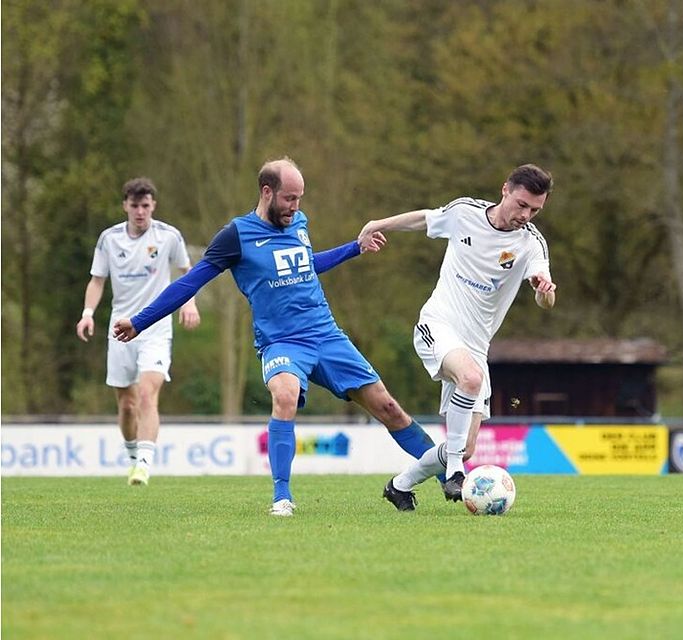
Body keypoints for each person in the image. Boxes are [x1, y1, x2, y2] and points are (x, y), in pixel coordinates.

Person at [113, 158, 437, 516]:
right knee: (284, 395)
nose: (295, 207)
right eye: (289, 198)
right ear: (267, 192)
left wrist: (353, 248)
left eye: (299, 198)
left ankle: (449, 474)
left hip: (326, 335)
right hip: (281, 342)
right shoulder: (235, 236)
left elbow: (305, 265)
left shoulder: (298, 222)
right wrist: (141, 321)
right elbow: (191, 282)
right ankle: (282, 497)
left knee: (388, 408)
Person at [358, 163, 557, 511]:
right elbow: (424, 219)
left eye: (535, 210)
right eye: (521, 205)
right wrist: (379, 224)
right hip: (438, 324)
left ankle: (400, 486)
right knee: (470, 380)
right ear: (505, 190)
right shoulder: (465, 213)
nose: (525, 215)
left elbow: (546, 299)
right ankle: (455, 473)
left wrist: (544, 290)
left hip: (475, 346)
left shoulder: (531, 244)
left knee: (463, 445)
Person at [76, 177, 201, 487]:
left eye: (146, 206)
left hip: (156, 326)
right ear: (125, 206)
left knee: (147, 393)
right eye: (135, 206)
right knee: (127, 404)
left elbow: (188, 274)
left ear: (153, 206)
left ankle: (144, 465)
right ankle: (133, 456)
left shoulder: (169, 236)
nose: (140, 212)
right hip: (120, 327)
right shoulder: (109, 239)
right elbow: (96, 280)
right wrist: (88, 314)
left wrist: (190, 304)